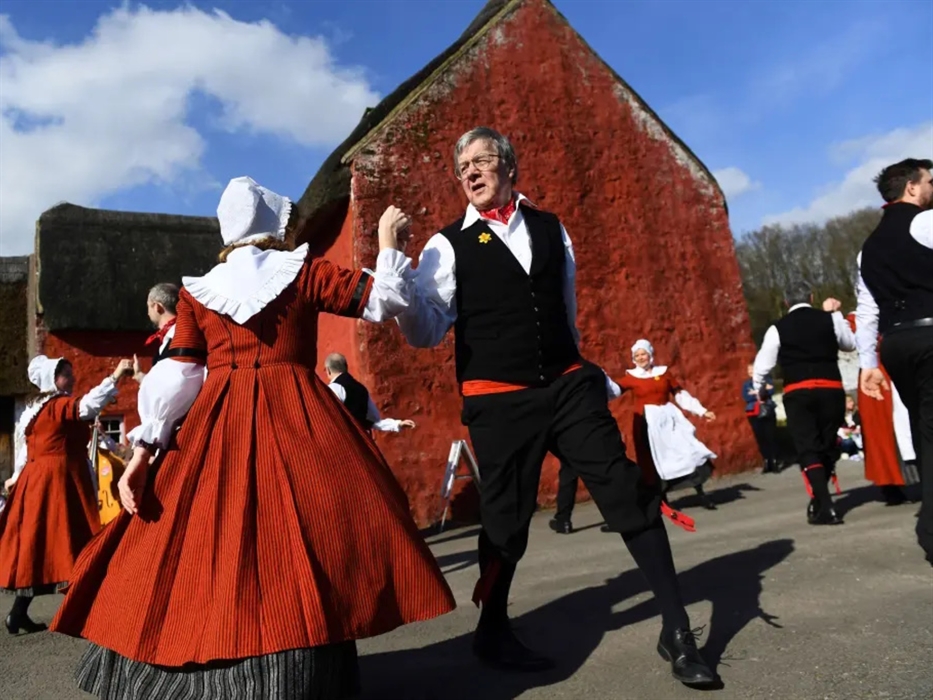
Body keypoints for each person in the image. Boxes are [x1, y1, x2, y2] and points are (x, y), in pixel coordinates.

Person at [50, 176, 456, 699]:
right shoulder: (301, 271)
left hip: (218, 421)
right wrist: (386, 244)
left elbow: (181, 375)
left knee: (206, 541)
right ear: (272, 225)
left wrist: (146, 450)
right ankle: (301, 668)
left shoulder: (198, 292)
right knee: (310, 535)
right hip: (300, 415)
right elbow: (386, 300)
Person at [385, 127, 715, 687]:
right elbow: (422, 333)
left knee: (625, 490)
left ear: (508, 165)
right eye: (461, 166)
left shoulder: (550, 227)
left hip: (566, 384)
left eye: (481, 160)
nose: (469, 171)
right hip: (498, 398)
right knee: (506, 522)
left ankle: (678, 629)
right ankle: (492, 629)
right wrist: (393, 256)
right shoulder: (445, 245)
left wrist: (585, 371)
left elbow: (566, 307)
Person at [0, 354, 133, 634]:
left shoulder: (35, 411)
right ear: (52, 380)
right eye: (66, 374)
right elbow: (88, 407)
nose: (72, 378)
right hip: (58, 483)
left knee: (41, 544)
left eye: (71, 373)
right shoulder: (58, 405)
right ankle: (92, 612)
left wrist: (16, 475)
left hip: (40, 481)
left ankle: (18, 614)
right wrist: (116, 376)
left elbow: (27, 450)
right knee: (74, 539)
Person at [856, 158, 933, 564]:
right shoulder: (924, 223)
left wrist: (869, 363)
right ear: (912, 188)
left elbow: (867, 311)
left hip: (896, 344)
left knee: (926, 431)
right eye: (930, 181)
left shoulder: (866, 249)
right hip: (929, 332)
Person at [753, 287, 855, 525]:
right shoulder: (830, 319)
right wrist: (837, 315)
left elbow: (763, 364)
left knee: (808, 447)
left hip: (798, 392)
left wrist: (759, 388)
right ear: (811, 298)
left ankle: (825, 504)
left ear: (786, 302)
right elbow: (849, 344)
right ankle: (821, 499)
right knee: (828, 445)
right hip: (830, 388)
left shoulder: (778, 328)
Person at [614, 340, 718, 511]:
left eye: (643, 354)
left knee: (687, 450)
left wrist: (701, 410)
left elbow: (679, 394)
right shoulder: (631, 377)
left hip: (670, 420)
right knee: (655, 460)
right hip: (647, 422)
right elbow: (613, 391)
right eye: (637, 355)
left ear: (650, 354)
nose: (641, 358)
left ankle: (700, 493)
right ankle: (662, 500)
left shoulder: (663, 373)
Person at [323, 352, 416, 433]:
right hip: (361, 443)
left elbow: (326, 419)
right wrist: (397, 424)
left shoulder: (333, 388)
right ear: (346, 367)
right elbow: (374, 420)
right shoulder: (361, 388)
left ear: (328, 370)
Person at [132, 283, 180, 383]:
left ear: (157, 307)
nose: (148, 313)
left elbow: (170, 385)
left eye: (149, 306)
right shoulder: (179, 333)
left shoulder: (178, 339)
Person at [837, 395, 862, 459]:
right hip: (845, 437)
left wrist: (857, 429)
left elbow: (859, 425)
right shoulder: (840, 415)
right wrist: (844, 431)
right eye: (849, 402)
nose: (852, 403)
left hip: (856, 435)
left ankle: (858, 451)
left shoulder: (856, 413)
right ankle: (845, 451)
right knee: (848, 441)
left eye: (852, 401)